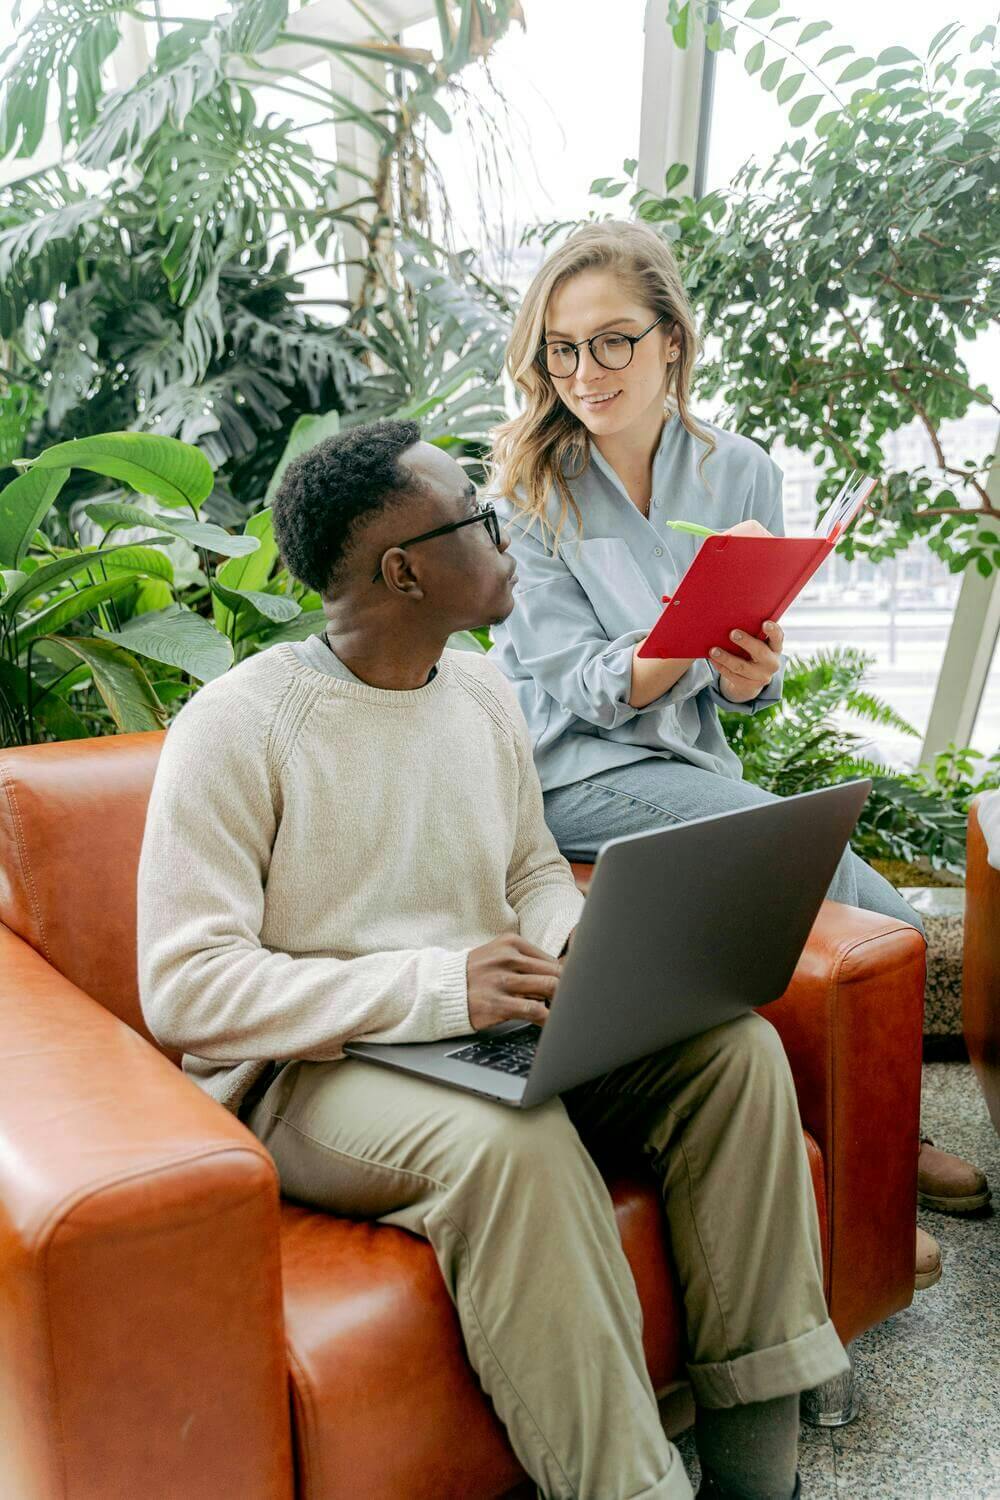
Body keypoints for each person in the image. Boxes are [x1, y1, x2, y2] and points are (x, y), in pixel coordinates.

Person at [137, 419, 855, 1500]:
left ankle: (762, 1472)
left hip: (482, 1033)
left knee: (732, 1053)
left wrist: (577, 947)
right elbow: (186, 989)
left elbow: (528, 871)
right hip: (310, 1071)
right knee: (508, 1148)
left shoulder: (479, 693)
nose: (507, 530)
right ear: (403, 570)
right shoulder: (238, 727)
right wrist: (437, 984)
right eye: (479, 518)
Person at [487, 220, 990, 1291]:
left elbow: (735, 690)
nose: (585, 372)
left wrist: (748, 673)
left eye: (613, 341)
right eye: (562, 349)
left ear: (672, 339)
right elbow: (581, 685)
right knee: (840, 897)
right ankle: (859, 1191)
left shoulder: (738, 472)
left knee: (888, 923)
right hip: (571, 778)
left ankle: (876, 1147)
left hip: (686, 769)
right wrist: (678, 652)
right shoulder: (525, 491)